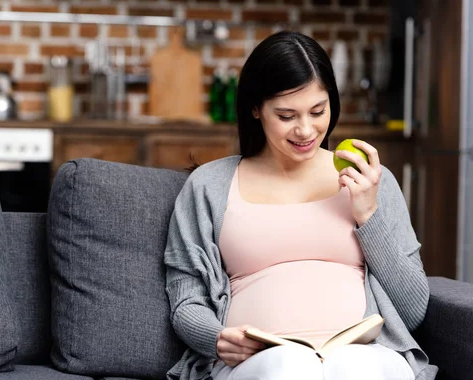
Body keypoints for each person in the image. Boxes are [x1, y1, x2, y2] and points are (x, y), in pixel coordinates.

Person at [164, 31, 438, 380]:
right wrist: (216, 338)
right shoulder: (208, 186)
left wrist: (368, 214)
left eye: (317, 111)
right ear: (255, 109)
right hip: (261, 363)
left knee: (359, 368)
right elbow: (186, 300)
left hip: (364, 353)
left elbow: (413, 310)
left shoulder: (369, 180)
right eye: (287, 115)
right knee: (288, 368)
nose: (306, 130)